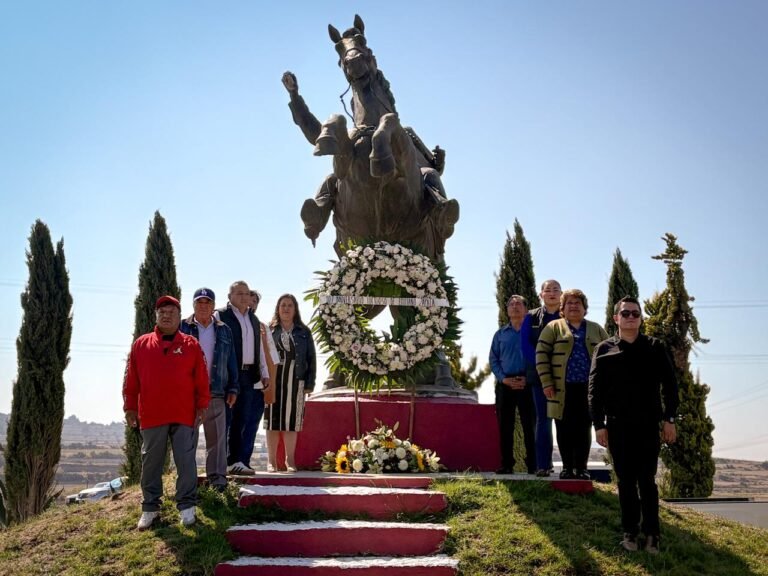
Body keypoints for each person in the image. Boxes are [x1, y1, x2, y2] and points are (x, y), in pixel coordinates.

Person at [589, 297, 679, 554]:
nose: (630, 317)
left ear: (641, 318)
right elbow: (594, 391)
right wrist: (599, 424)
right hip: (617, 426)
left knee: (647, 480)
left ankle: (652, 534)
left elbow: (670, 385)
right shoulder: (603, 349)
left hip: (649, 425)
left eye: (635, 314)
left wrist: (669, 419)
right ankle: (630, 532)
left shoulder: (655, 347)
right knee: (626, 482)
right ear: (616, 318)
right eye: (625, 313)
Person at [123, 295, 210, 529]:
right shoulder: (141, 344)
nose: (166, 315)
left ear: (180, 317)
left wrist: (202, 404)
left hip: (184, 413)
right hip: (152, 414)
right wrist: (129, 406)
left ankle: (187, 506)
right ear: (156, 316)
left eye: (171, 312)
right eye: (162, 312)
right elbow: (131, 379)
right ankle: (150, 508)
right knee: (151, 462)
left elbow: (202, 378)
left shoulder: (191, 344)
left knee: (185, 461)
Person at [536, 289, 608, 480]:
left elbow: (609, 354)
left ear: (585, 308)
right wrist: (546, 382)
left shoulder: (596, 329)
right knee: (563, 427)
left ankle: (582, 469)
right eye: (569, 303)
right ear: (563, 308)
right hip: (561, 389)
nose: (574, 306)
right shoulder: (553, 327)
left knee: (585, 427)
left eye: (578, 303)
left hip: (589, 389)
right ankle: (567, 468)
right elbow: (541, 355)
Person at [180, 288, 239, 491]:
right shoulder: (182, 327)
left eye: (207, 302)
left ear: (213, 306)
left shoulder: (224, 330)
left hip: (216, 391)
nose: (203, 306)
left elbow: (231, 360)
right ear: (193, 305)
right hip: (189, 394)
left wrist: (233, 388)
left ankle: (218, 481)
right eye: (200, 302)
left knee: (217, 440)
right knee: (187, 440)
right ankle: (187, 482)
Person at [215, 281, 277, 475]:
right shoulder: (220, 315)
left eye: (247, 293)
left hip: (249, 374)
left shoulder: (253, 319)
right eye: (239, 293)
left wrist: (264, 373)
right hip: (228, 374)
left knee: (242, 418)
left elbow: (259, 349)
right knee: (227, 418)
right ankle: (223, 461)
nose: (244, 297)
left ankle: (237, 461)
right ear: (230, 296)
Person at [266, 294, 317, 472]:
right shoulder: (269, 330)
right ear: (278, 309)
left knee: (291, 422)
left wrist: (310, 383)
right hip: (273, 380)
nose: (286, 308)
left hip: (296, 381)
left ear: (295, 309)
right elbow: (262, 357)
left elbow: (311, 358)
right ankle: (272, 462)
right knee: (272, 421)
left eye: (290, 305)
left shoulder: (304, 332)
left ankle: (290, 461)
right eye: (283, 305)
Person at [489, 295, 536, 474]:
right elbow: (493, 359)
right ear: (507, 309)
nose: (515, 306)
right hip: (505, 385)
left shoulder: (532, 333)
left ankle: (533, 465)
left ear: (526, 309)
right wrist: (503, 379)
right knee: (505, 426)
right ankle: (507, 464)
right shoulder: (500, 334)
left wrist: (528, 379)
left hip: (527, 384)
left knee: (530, 425)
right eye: (511, 304)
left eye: (519, 304)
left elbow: (539, 357)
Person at [522, 279, 562, 477]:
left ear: (561, 294)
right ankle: (543, 465)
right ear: (541, 295)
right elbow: (526, 345)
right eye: (548, 290)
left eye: (556, 290)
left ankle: (571, 466)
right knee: (543, 420)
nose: (552, 293)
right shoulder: (531, 317)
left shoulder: (567, 315)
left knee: (565, 420)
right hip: (539, 376)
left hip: (565, 375)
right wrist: (542, 365)